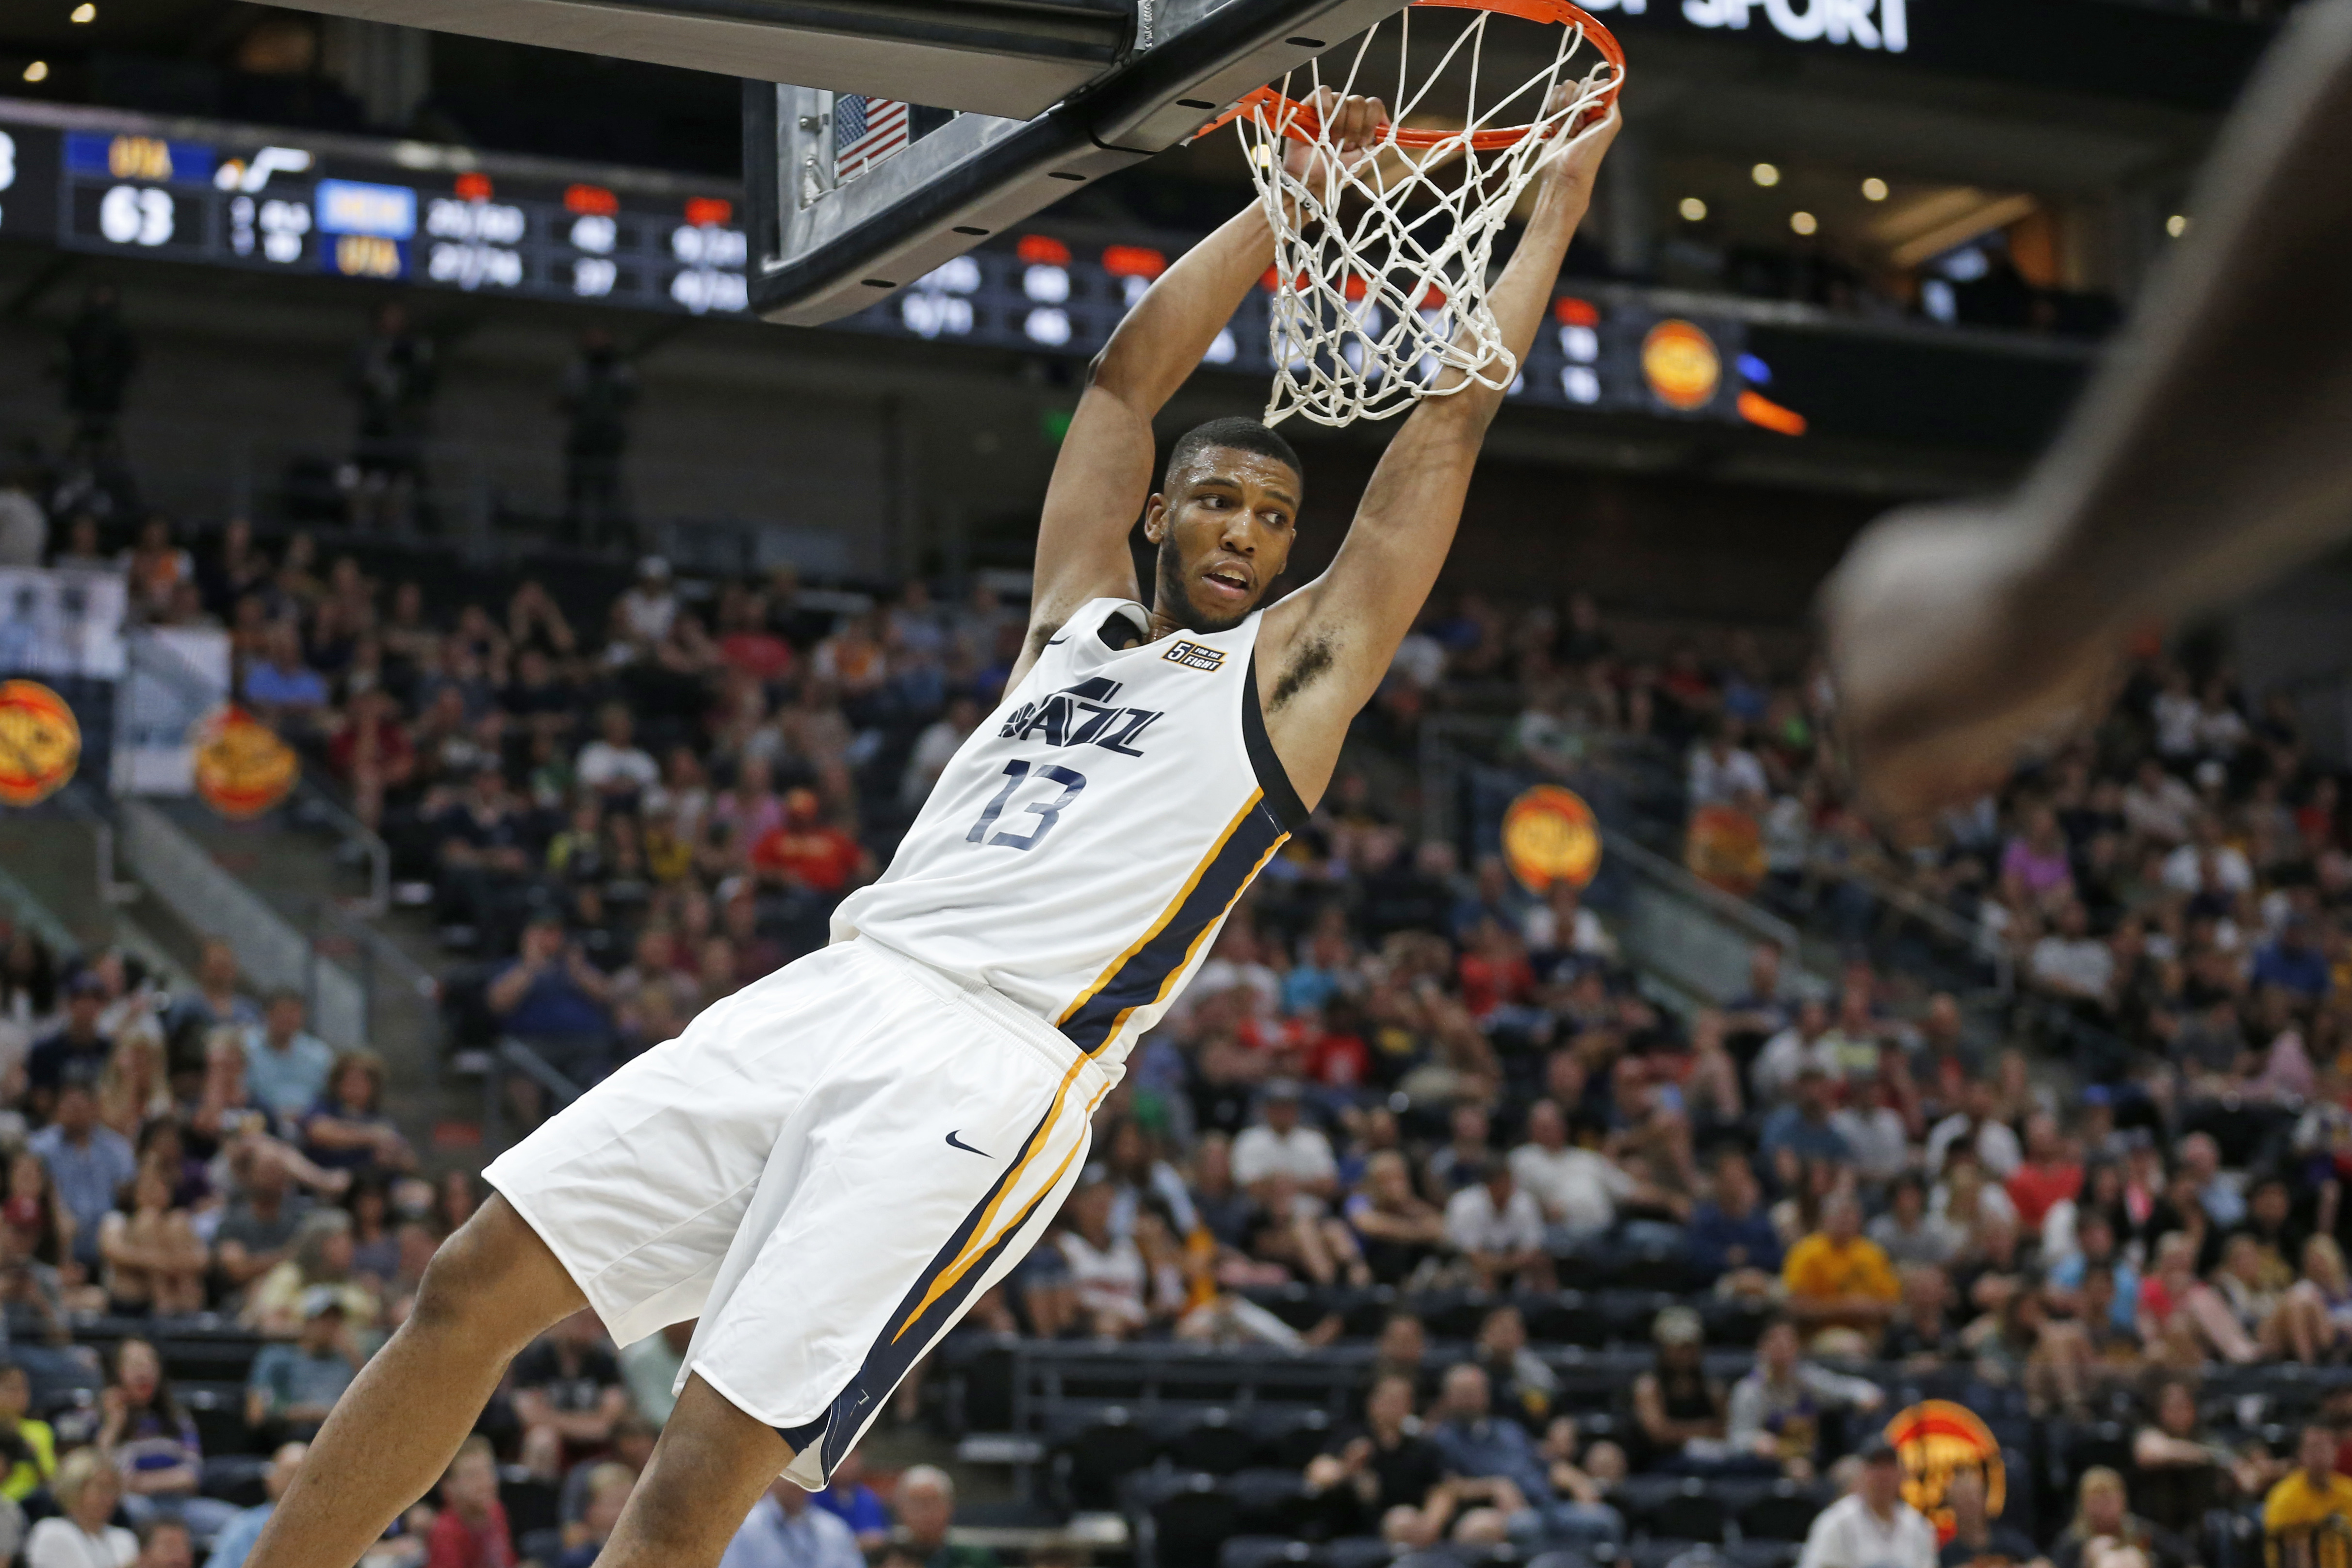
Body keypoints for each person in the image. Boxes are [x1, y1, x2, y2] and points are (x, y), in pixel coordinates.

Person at [241, 86, 1622, 1568]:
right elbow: (1113, 390)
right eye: (1213, 501)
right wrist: (1286, 200)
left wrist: (1550, 196)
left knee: (701, 1462)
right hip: (841, 983)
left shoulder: (1292, 675)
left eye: (1270, 520)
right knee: (472, 1279)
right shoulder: (1071, 629)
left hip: (998, 1061)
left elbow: (1456, 414)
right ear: (1159, 517)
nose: (1238, 532)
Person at [1728, 1317, 1885, 1479]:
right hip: (1770, 1468)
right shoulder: (1749, 1390)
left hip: (1816, 1463)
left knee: (1853, 1471)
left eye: (1788, 1344)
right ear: (1763, 1347)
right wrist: (1756, 1441)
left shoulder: (1806, 1379)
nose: (1783, 1350)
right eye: (1776, 1344)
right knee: (1797, 1472)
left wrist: (1866, 1395)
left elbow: (1846, 1388)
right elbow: (1738, 1438)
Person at [1798, 1437, 1937, 1568]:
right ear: (1862, 1473)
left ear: (1902, 1475)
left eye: (1890, 1467)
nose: (1883, 1476)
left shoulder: (1918, 1526)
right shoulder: (1836, 1522)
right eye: (1876, 1467)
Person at [558, 327, 639, 547]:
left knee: (608, 492)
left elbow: (631, 397)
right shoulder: (578, 370)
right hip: (583, 438)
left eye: (601, 340)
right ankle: (572, 540)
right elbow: (564, 401)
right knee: (576, 491)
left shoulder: (620, 370)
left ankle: (604, 541)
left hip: (608, 440)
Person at [246, 1290, 361, 1443]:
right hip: (293, 1440)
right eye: (324, 1319)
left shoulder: (347, 1362)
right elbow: (256, 1415)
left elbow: (370, 1407)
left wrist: (354, 1356)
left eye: (336, 1320)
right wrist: (311, 1413)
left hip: (343, 1440)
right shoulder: (277, 1358)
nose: (331, 1326)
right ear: (306, 1322)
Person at [30, 1446, 135, 1568]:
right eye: (102, 1489)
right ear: (75, 1489)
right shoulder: (51, 1532)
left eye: (113, 1490)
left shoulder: (125, 1539)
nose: (110, 1498)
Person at [203, 1444, 305, 1568]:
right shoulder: (244, 1527)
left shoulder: (329, 1525)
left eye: (305, 1474)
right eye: (290, 1473)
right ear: (270, 1479)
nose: (296, 1482)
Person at [717, 1480, 860, 1568]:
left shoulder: (835, 1529)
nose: (796, 1484)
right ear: (773, 1477)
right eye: (791, 1476)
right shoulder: (743, 1527)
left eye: (804, 1477)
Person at [242, 994, 336, 1123]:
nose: (287, 1018)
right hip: (259, 1120)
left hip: (309, 1124)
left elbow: (329, 1096)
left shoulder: (319, 1054)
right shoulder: (245, 1048)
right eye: (281, 1012)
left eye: (293, 1013)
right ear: (266, 1015)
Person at [2264, 1423, 2352, 1560]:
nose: (2319, 1455)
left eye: (2325, 1447)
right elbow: (2291, 1559)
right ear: (2301, 1454)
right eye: (2313, 1448)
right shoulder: (2285, 1498)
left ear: (2336, 1451)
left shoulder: (2348, 1491)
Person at [425, 1437, 513, 1568]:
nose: (485, 1481)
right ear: (448, 1487)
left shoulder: (497, 1511)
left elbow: (508, 1561)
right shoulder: (445, 1532)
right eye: (472, 1475)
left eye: (488, 1470)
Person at [1940, 1467, 2042, 1568]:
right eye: (1963, 1501)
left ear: (1984, 1499)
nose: (1970, 1507)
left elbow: (2043, 1563)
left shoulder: (2010, 1542)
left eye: (1974, 1498)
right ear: (1952, 1506)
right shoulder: (1947, 1555)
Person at [892, 1467, 995, 1568]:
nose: (925, 1512)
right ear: (900, 1508)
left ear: (950, 1506)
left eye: (933, 1502)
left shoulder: (975, 1556)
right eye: (916, 1503)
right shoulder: (887, 1553)